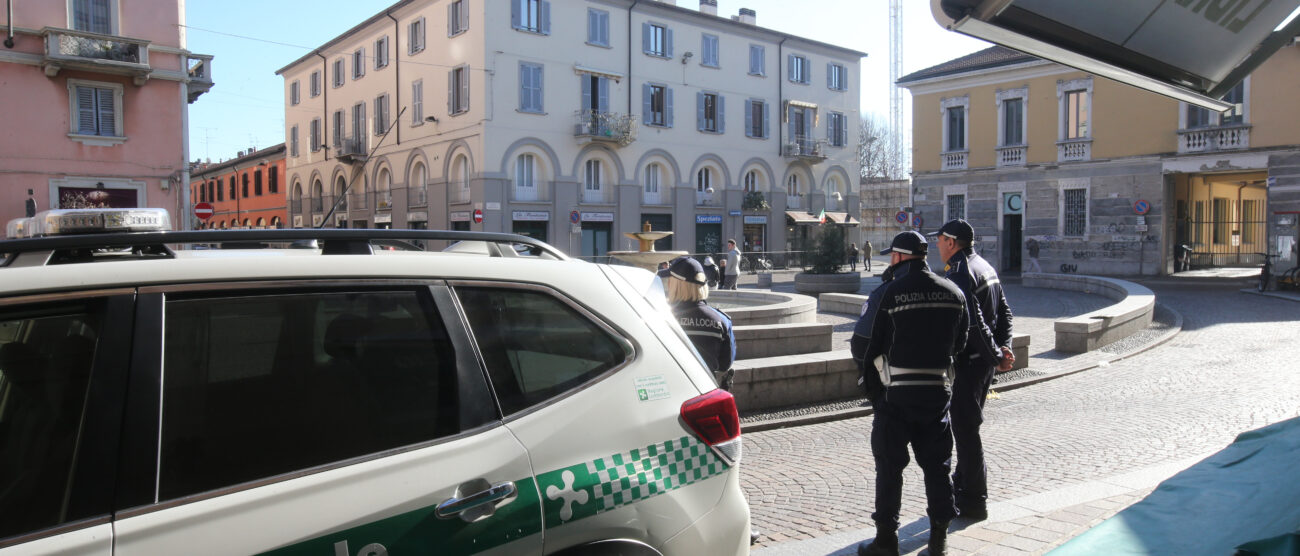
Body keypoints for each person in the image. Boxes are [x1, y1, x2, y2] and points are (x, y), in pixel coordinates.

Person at [851, 231, 968, 556]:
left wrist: (875, 391)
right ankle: (939, 538)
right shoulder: (953, 292)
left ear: (900, 257)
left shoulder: (889, 292)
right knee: (938, 467)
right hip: (936, 393)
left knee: (889, 468)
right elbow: (960, 342)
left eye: (892, 256)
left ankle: (886, 539)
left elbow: (862, 344)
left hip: (895, 396)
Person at [930, 219, 1015, 523]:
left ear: (951, 242)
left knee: (966, 432)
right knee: (967, 427)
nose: (936, 244)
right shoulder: (985, 265)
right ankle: (961, 486)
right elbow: (1005, 311)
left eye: (939, 239)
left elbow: (975, 323)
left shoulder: (962, 272)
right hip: (984, 362)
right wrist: (1005, 349)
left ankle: (974, 501)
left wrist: (996, 355)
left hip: (973, 362)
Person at [659, 256, 736, 390]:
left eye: (670, 280)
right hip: (706, 391)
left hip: (671, 391)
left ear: (676, 285)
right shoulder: (721, 320)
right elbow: (725, 364)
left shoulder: (662, 318)